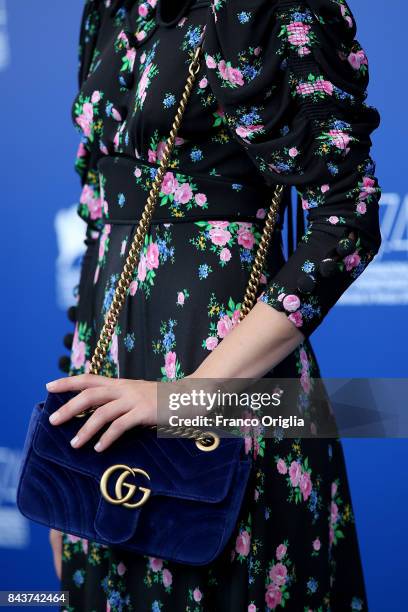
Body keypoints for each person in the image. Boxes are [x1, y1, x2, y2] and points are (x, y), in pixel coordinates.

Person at [47, 0, 382, 609]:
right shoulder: (110, 10)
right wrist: (64, 448)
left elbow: (348, 221)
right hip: (107, 406)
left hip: (228, 396)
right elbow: (98, 214)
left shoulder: (276, 10)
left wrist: (186, 399)